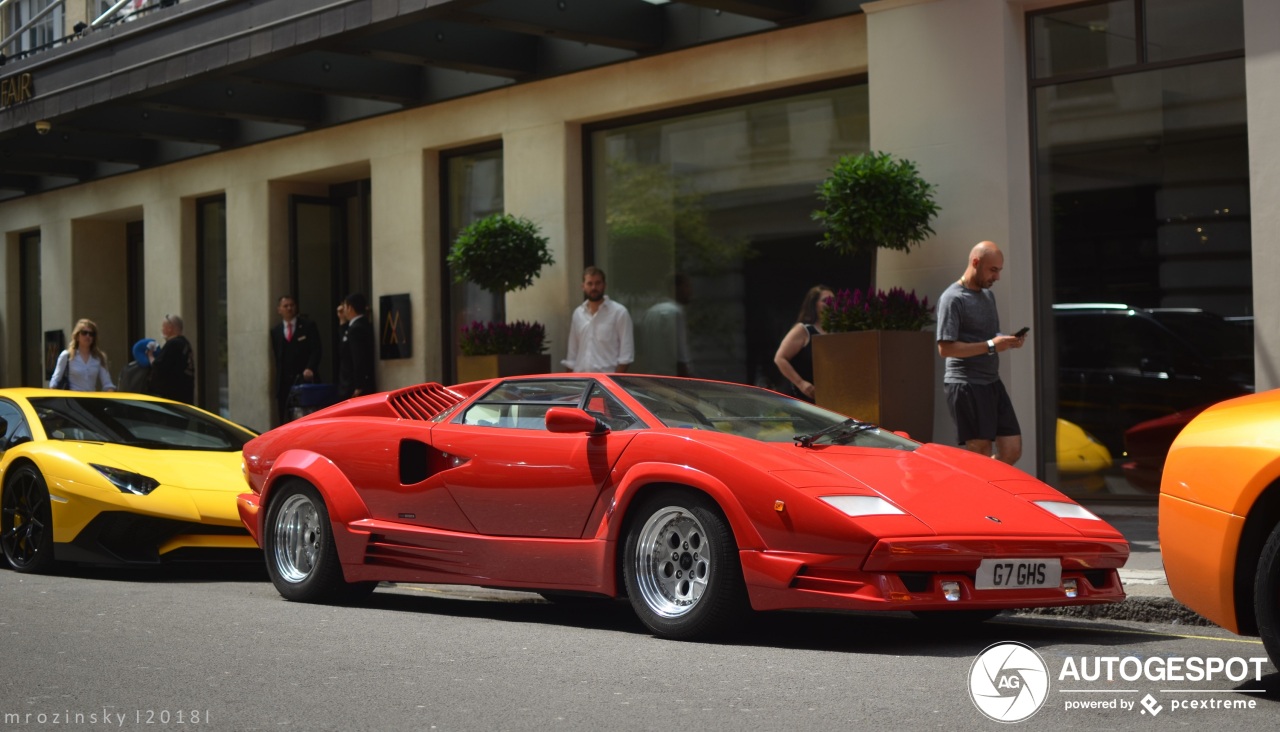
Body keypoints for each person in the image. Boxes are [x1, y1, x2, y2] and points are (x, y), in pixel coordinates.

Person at [936, 240, 1027, 464]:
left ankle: (979, 484)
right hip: (966, 384)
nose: (997, 277)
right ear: (976, 262)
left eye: (999, 270)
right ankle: (974, 494)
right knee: (980, 453)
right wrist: (991, 345)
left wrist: (1007, 340)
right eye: (993, 270)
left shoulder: (988, 296)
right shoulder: (953, 298)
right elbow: (945, 349)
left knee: (1012, 450)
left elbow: (989, 335)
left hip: (991, 382)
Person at [563, 266, 634, 374]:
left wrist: (613, 383)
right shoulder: (578, 313)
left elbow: (626, 355)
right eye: (589, 283)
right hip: (581, 380)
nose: (594, 287)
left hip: (607, 382)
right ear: (583, 286)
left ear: (604, 285)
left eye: (598, 283)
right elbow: (572, 354)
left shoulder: (619, 312)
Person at [773, 285, 834, 402]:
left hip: (827, 398)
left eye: (833, 300)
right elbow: (780, 358)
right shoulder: (803, 330)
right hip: (803, 399)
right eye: (825, 301)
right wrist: (801, 383)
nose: (830, 303)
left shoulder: (835, 330)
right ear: (814, 304)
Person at [270, 294, 323, 424]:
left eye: (292, 305)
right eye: (285, 306)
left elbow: (317, 350)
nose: (289, 308)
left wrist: (310, 367)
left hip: (303, 380)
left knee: (304, 418)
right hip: (284, 384)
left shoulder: (308, 326)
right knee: (284, 419)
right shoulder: (276, 331)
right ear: (279, 310)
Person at [633, 273, 692, 376]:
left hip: (653, 376)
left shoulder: (650, 312)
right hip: (673, 377)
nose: (690, 291)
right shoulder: (675, 313)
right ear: (675, 288)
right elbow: (680, 353)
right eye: (687, 286)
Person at [49, 318, 116, 391]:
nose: (88, 336)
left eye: (91, 334)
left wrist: (110, 392)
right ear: (77, 336)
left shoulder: (99, 357)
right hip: (72, 400)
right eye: (84, 333)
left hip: (91, 400)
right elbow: (55, 380)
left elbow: (107, 384)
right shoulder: (67, 355)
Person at [148, 314, 195, 404]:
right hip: (186, 396)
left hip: (172, 398)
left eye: (163, 327)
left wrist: (149, 356)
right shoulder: (185, 344)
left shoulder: (173, 344)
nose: (162, 329)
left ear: (170, 328)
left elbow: (158, 366)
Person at [337, 292, 376, 400]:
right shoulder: (359, 325)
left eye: (344, 306)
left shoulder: (356, 329)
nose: (342, 310)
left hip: (352, 386)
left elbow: (358, 358)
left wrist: (359, 386)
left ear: (350, 308)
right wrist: (342, 321)